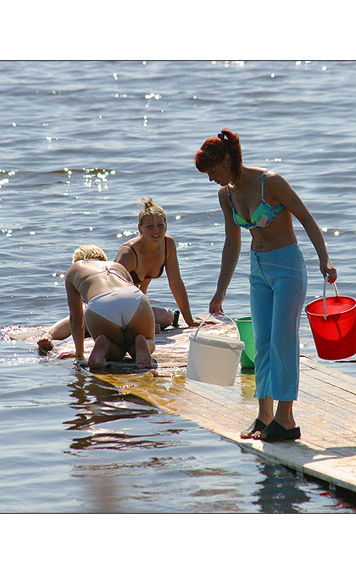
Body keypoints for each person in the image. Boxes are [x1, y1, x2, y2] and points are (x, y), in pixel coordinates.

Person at [195, 129, 337, 442]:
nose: (211, 180)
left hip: (288, 267)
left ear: (229, 160)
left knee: (283, 342)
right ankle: (264, 415)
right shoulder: (226, 195)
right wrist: (220, 291)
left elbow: (306, 219)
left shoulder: (270, 183)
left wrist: (324, 259)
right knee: (261, 344)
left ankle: (286, 420)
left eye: (214, 172)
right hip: (258, 270)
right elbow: (231, 244)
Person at [37, 198, 199, 353]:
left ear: (166, 225)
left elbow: (176, 283)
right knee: (84, 314)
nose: (156, 230)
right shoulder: (129, 253)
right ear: (139, 228)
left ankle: (129, 332)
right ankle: (49, 335)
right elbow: (111, 286)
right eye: (150, 226)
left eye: (160, 225)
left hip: (132, 305)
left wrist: (190, 321)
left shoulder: (168, 244)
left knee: (167, 317)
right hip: (109, 302)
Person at [56, 245, 156, 369]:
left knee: (115, 354)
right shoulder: (117, 266)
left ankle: (106, 344)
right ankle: (143, 343)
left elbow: (76, 318)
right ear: (102, 258)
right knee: (145, 340)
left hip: (100, 303)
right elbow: (132, 286)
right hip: (133, 297)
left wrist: (79, 354)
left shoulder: (74, 270)